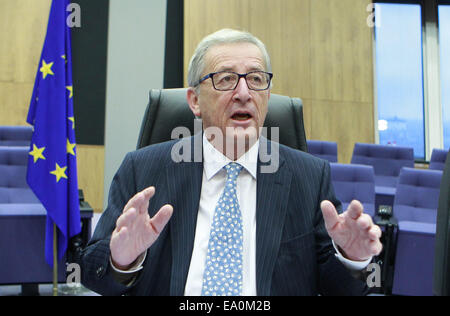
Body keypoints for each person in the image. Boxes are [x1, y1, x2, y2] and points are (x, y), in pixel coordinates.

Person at [80, 29, 382, 296]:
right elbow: (94, 274)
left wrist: (352, 259)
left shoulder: (309, 177)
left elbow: (336, 287)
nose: (243, 93)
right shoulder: (143, 170)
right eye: (225, 79)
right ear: (195, 101)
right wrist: (123, 260)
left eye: (255, 79)